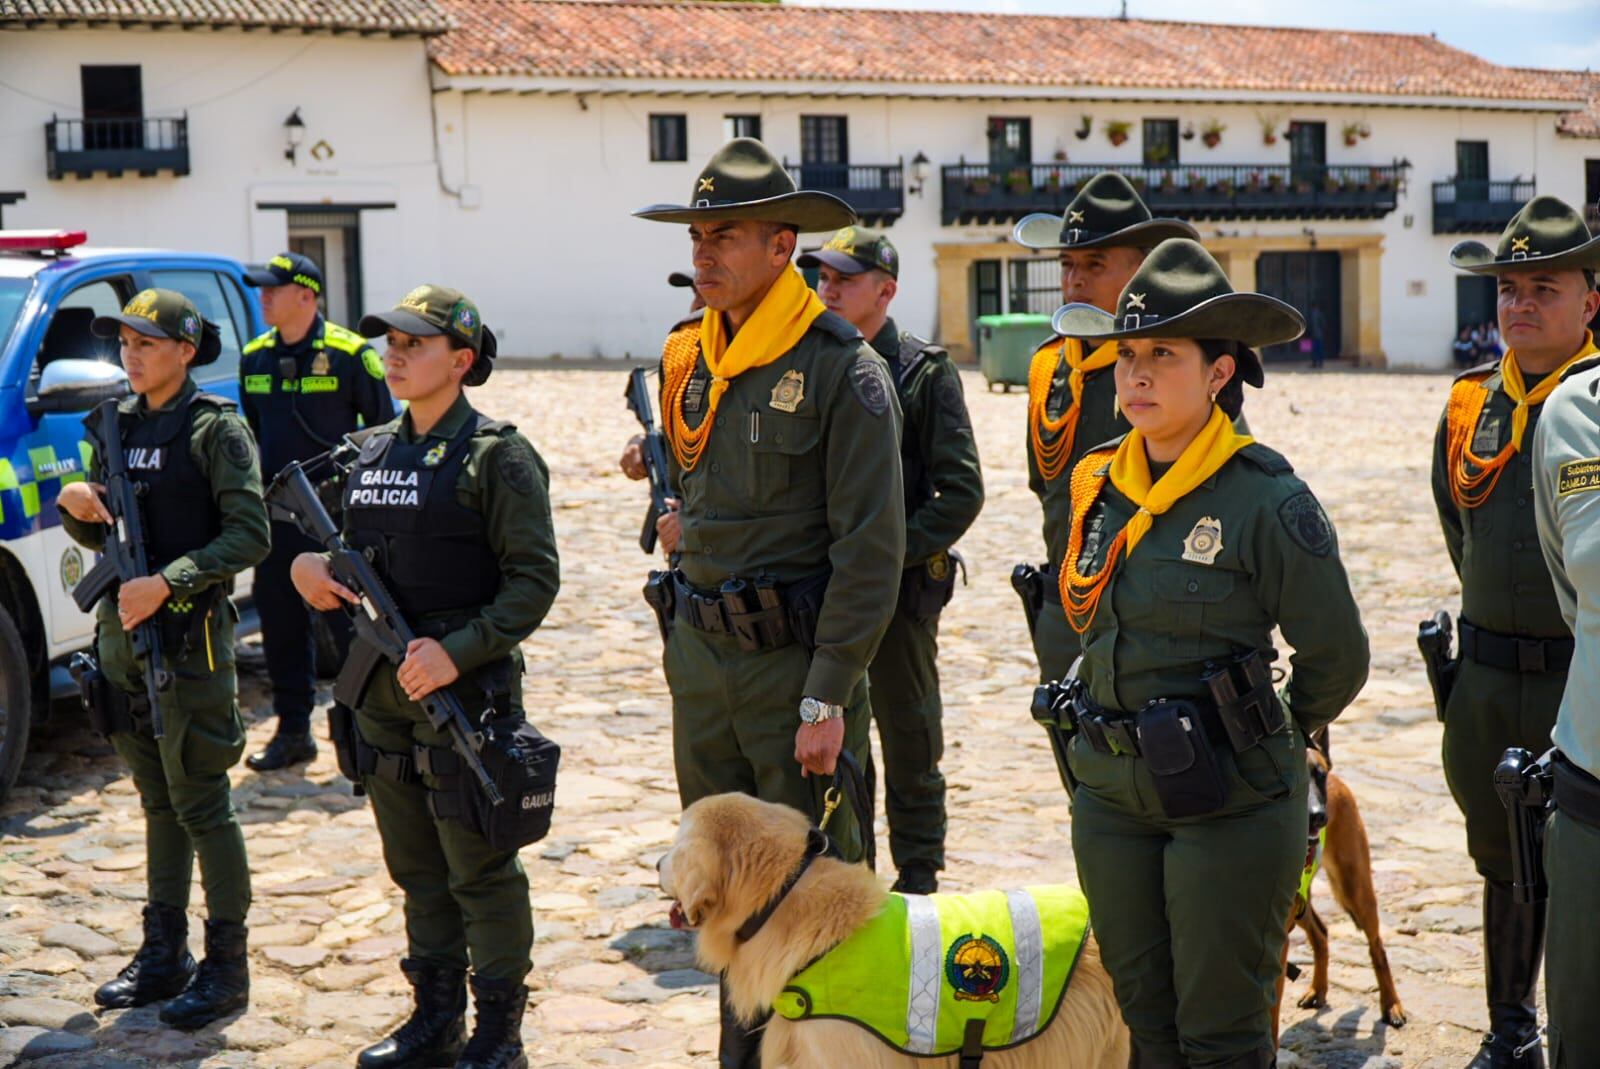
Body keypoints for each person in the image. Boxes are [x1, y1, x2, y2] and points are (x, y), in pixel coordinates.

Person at [1049, 239, 1369, 1067]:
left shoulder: (1266, 498)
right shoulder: (1099, 483)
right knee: (1144, 1028)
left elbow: (1337, 653)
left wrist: (1270, 733)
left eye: (1164, 353)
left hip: (1227, 802)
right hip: (1114, 800)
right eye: (1126, 355)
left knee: (1223, 1037)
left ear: (1220, 373)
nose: (1136, 375)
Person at [632, 137, 905, 1068]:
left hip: (795, 671)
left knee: (811, 896)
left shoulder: (842, 369)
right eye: (698, 235)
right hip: (705, 665)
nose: (705, 253)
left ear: (783, 246)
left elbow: (872, 552)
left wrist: (829, 693)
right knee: (724, 895)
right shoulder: (690, 356)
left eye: (728, 236)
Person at [290, 285, 559, 1069]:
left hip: (462, 699)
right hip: (379, 697)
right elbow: (336, 549)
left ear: (463, 360)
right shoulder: (368, 450)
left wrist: (461, 647)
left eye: (415, 343)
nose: (395, 354)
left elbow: (532, 582)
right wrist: (308, 567)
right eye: (390, 342)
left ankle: (499, 1030)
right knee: (415, 866)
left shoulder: (496, 456)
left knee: (479, 867)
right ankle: (433, 1018)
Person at [57, 288, 269, 1029]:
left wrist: (169, 582)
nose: (132, 353)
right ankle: (163, 950)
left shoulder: (216, 430)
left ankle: (227, 965)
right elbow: (104, 541)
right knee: (157, 802)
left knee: (203, 802)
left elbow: (250, 535)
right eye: (125, 342)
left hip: (190, 643)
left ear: (185, 349)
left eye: (147, 342)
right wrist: (78, 507)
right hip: (123, 639)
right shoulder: (113, 426)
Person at [1436, 195, 1600, 1069]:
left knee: (1576, 860)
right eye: (1507, 288)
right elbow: (1457, 526)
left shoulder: (1594, 407)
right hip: (1490, 672)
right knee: (1499, 856)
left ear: (1590, 302)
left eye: (1545, 286)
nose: (1521, 304)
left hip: (1580, 673)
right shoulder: (1469, 406)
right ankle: (1511, 1028)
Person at [801, 226, 984, 895]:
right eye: (824, 279)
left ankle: (917, 874)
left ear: (886, 290)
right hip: (826, 593)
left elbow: (960, 491)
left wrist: (881, 554)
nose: (830, 291)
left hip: (900, 593)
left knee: (910, 734)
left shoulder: (920, 371)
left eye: (845, 280)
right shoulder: (816, 363)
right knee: (832, 732)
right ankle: (849, 872)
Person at [1011, 172, 1198, 683]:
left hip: (1152, 615)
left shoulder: (1177, 369)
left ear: (1140, 270)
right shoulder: (1049, 368)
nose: (1075, 280)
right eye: (1068, 264)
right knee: (1073, 758)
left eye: (1095, 265)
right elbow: (1045, 485)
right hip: (1066, 608)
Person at [240, 251, 394, 772]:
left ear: (306, 295)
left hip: (339, 518)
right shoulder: (254, 356)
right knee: (281, 624)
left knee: (356, 626)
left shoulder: (352, 353)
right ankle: (293, 730)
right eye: (260, 288)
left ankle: (364, 732)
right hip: (280, 517)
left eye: (272, 288)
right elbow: (257, 433)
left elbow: (382, 432)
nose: (263, 296)